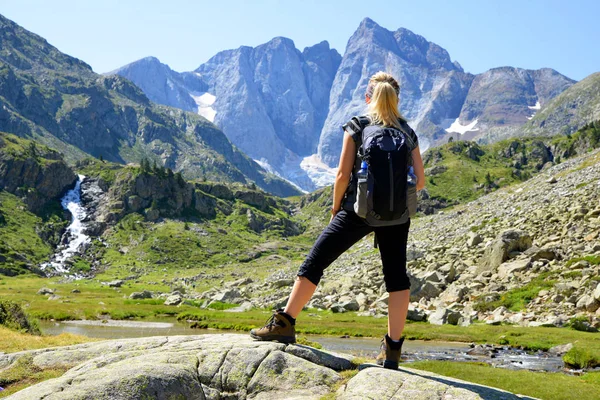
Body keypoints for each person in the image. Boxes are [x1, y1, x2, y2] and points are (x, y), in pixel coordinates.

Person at [250, 71, 426, 369]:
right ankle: (392, 350)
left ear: (368, 97)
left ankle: (285, 324)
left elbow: (343, 175)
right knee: (397, 279)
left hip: (355, 211)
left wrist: (336, 210)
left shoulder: (358, 125)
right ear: (397, 99)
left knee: (315, 262)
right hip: (396, 217)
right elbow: (420, 181)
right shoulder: (407, 132)